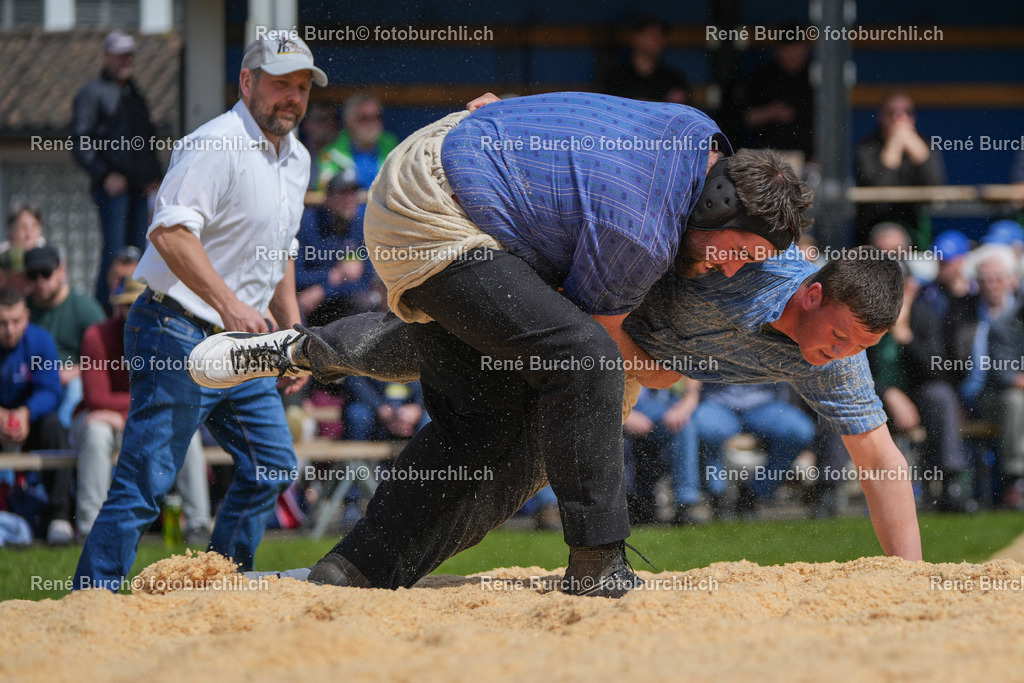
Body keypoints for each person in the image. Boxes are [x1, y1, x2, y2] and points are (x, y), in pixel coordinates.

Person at [192, 91, 812, 598]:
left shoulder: (698, 135)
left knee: (484, 411)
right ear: (718, 206)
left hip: (470, 174)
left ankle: (348, 562)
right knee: (583, 361)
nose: (732, 268)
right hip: (431, 206)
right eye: (740, 251)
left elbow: (575, 127)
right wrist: (662, 367)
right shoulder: (641, 230)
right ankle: (598, 562)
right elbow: (596, 346)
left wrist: (507, 121)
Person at [208, 250, 922, 590]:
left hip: (614, 368)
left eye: (858, 347)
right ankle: (297, 348)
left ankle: (352, 573)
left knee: (512, 476)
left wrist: (910, 579)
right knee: (436, 341)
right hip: (581, 301)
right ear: (812, 292)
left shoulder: (837, 357)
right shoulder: (744, 262)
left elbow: (879, 458)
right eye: (840, 335)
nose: (841, 354)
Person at [73, 35, 326, 592]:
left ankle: (218, 583)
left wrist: (292, 335)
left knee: (272, 466)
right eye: (280, 84)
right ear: (247, 82)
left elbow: (281, 251)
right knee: (146, 481)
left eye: (302, 87)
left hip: (243, 344)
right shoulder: (215, 143)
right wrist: (230, 304)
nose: (292, 97)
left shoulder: (299, 158)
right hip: (175, 330)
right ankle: (89, 601)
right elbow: (168, 232)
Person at [73, 277, 212, 540]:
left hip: (138, 418)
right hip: (102, 420)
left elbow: (172, 395)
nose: (137, 310)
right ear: (119, 308)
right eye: (130, 305)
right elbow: (95, 399)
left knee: (188, 434)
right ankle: (89, 527)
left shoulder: (170, 336)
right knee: (97, 433)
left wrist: (129, 412)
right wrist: (139, 408)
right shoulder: (97, 335)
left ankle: (198, 524)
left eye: (145, 303)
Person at [70, 30, 163, 305]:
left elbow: (147, 139)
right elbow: (80, 141)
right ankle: (104, 313)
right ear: (106, 57)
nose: (127, 60)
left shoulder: (135, 95)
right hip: (113, 192)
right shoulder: (91, 93)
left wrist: (154, 176)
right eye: (121, 55)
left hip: (139, 190)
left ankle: (134, 309)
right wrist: (105, 175)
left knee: (139, 255)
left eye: (130, 55)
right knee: (114, 255)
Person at [0, 287, 73, 544]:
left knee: (54, 428)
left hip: (31, 422)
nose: (9, 330)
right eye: (2, 323)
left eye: (15, 321)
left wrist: (26, 412)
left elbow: (51, 390)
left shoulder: (40, 340)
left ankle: (59, 518)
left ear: (27, 317)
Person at [692, 382, 816, 518]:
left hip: (765, 405)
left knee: (799, 431)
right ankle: (719, 495)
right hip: (718, 404)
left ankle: (756, 492)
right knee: (702, 426)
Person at [24, 246, 106, 429]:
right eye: (33, 275)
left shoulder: (84, 307)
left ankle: (65, 435)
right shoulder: (21, 310)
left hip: (70, 381)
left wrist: (75, 370)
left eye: (46, 273)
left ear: (61, 270)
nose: (40, 281)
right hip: (33, 380)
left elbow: (106, 357)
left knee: (76, 387)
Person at [855, 92, 946, 247]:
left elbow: (936, 184)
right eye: (892, 112)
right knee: (889, 242)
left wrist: (917, 151)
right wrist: (895, 144)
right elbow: (879, 188)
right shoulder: (867, 147)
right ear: (881, 116)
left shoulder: (925, 144)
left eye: (907, 112)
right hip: (876, 222)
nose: (900, 118)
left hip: (915, 222)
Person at [295, 166, 381, 326]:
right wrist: (332, 275)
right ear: (328, 198)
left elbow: (365, 280)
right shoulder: (308, 223)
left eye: (353, 193)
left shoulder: (360, 225)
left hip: (336, 298)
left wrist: (324, 290)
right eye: (343, 193)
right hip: (308, 303)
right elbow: (294, 275)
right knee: (295, 305)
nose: (349, 200)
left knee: (368, 301)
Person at [742, 28, 814, 159]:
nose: (791, 55)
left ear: (805, 49)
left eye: (795, 49)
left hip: (810, 159)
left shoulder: (817, 74)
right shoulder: (763, 75)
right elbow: (745, 118)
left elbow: (832, 121)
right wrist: (770, 112)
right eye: (787, 50)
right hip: (769, 159)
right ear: (777, 50)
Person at [600, 17, 691, 104]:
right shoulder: (616, 77)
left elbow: (689, 111)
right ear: (636, 38)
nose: (658, 39)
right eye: (652, 34)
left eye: (661, 35)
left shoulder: (674, 79)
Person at [318, 93, 398, 191]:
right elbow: (323, 188)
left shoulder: (394, 147)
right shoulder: (331, 154)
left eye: (377, 116)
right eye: (365, 118)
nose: (372, 123)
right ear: (349, 121)